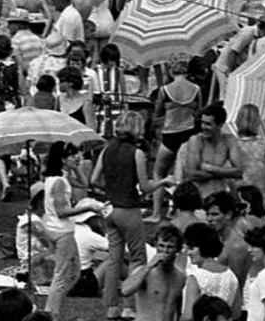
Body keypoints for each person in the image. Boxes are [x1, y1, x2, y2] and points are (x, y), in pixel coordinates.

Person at [92, 111, 176, 321]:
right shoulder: (137, 153)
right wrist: (163, 182)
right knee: (137, 258)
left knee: (114, 258)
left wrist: (111, 189)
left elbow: (93, 179)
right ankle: (129, 305)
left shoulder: (106, 149)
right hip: (129, 209)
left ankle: (111, 307)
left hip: (110, 209)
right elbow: (146, 186)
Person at [43, 140, 102, 318]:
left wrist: (75, 167)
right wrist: (89, 207)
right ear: (62, 159)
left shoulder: (60, 177)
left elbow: (84, 184)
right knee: (61, 276)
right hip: (62, 232)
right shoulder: (60, 182)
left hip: (62, 230)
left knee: (74, 274)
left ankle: (53, 308)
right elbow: (62, 211)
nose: (78, 157)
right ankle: (50, 314)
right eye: (72, 155)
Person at [150, 59, 203, 221]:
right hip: (189, 133)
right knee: (186, 176)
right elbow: (199, 113)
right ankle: (181, 211)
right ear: (187, 72)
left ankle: (156, 213)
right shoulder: (196, 89)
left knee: (159, 173)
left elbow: (158, 113)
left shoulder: (164, 90)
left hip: (170, 134)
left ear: (171, 72)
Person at [121, 224, 184, 321]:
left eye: (170, 247)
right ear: (155, 245)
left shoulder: (180, 277)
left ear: (178, 249)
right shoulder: (145, 272)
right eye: (161, 246)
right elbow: (125, 291)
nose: (164, 251)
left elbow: (178, 308)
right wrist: (149, 266)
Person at [178, 104, 242, 198]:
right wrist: (225, 174)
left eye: (208, 124)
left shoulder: (229, 140)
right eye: (202, 123)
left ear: (220, 125)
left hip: (219, 195)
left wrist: (209, 168)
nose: (203, 127)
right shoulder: (196, 140)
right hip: (199, 196)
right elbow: (192, 174)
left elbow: (238, 171)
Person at [180, 222, 238, 321]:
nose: (188, 252)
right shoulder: (231, 276)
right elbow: (236, 312)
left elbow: (188, 316)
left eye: (192, 248)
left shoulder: (195, 277)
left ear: (203, 247)